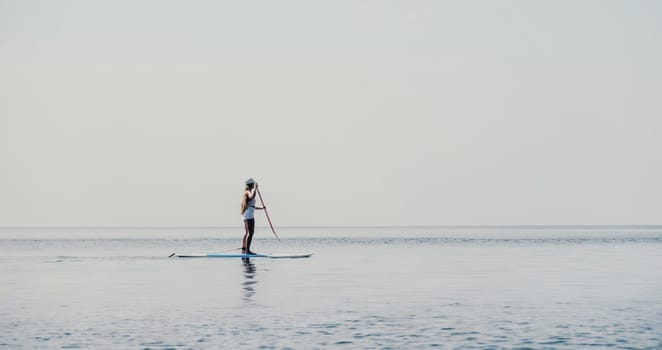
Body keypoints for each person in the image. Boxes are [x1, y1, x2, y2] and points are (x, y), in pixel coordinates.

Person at [240, 178, 265, 255]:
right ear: (251, 185)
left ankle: (244, 249)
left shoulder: (248, 192)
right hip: (249, 216)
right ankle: (248, 250)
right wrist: (255, 189)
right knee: (251, 233)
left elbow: (252, 206)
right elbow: (252, 197)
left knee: (247, 232)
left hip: (247, 215)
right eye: (253, 184)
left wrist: (262, 208)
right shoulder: (248, 192)